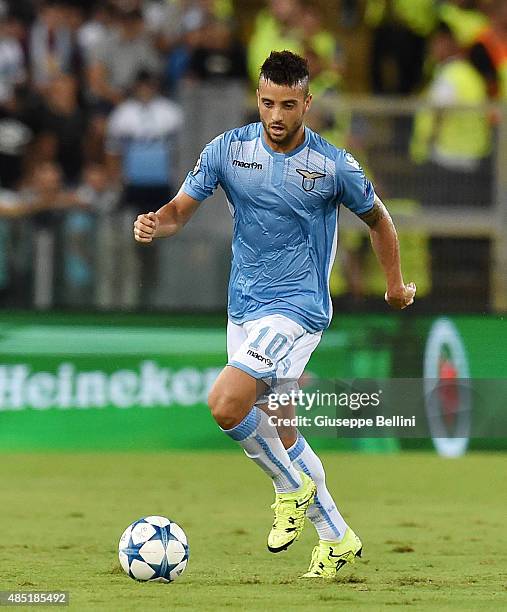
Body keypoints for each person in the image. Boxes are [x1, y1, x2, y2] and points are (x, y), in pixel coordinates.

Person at [133, 50, 416, 578]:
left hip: (298, 308)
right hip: (243, 307)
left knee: (225, 403)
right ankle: (337, 537)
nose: (277, 116)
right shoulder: (227, 150)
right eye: (268, 103)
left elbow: (380, 221)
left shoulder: (333, 164)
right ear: (257, 100)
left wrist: (395, 285)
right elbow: (178, 211)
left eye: (289, 104)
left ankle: (290, 487)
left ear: (307, 102)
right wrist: (155, 223)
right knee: (278, 426)